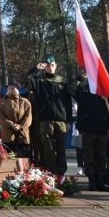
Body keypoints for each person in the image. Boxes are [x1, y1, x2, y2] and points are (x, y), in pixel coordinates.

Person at [26, 55, 73, 183]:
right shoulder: (39, 81)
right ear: (44, 66)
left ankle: (61, 175)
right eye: (47, 65)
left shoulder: (62, 81)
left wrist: (69, 121)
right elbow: (28, 81)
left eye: (52, 65)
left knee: (61, 148)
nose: (50, 67)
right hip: (45, 121)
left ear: (56, 66)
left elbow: (68, 103)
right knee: (48, 149)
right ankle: (51, 175)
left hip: (61, 120)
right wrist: (36, 69)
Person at [73, 73, 109, 192]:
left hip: (102, 129)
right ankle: (92, 181)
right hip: (88, 129)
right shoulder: (83, 90)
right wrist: (80, 77)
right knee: (89, 157)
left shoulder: (106, 92)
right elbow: (70, 89)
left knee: (102, 158)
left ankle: (100, 182)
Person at [0, 82, 32, 158]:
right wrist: (11, 125)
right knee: (9, 159)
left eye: (13, 88)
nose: (11, 90)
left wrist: (20, 126)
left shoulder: (25, 102)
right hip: (7, 135)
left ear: (18, 89)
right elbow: (1, 116)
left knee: (23, 160)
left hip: (22, 135)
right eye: (9, 88)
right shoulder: (2, 101)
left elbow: (28, 117)